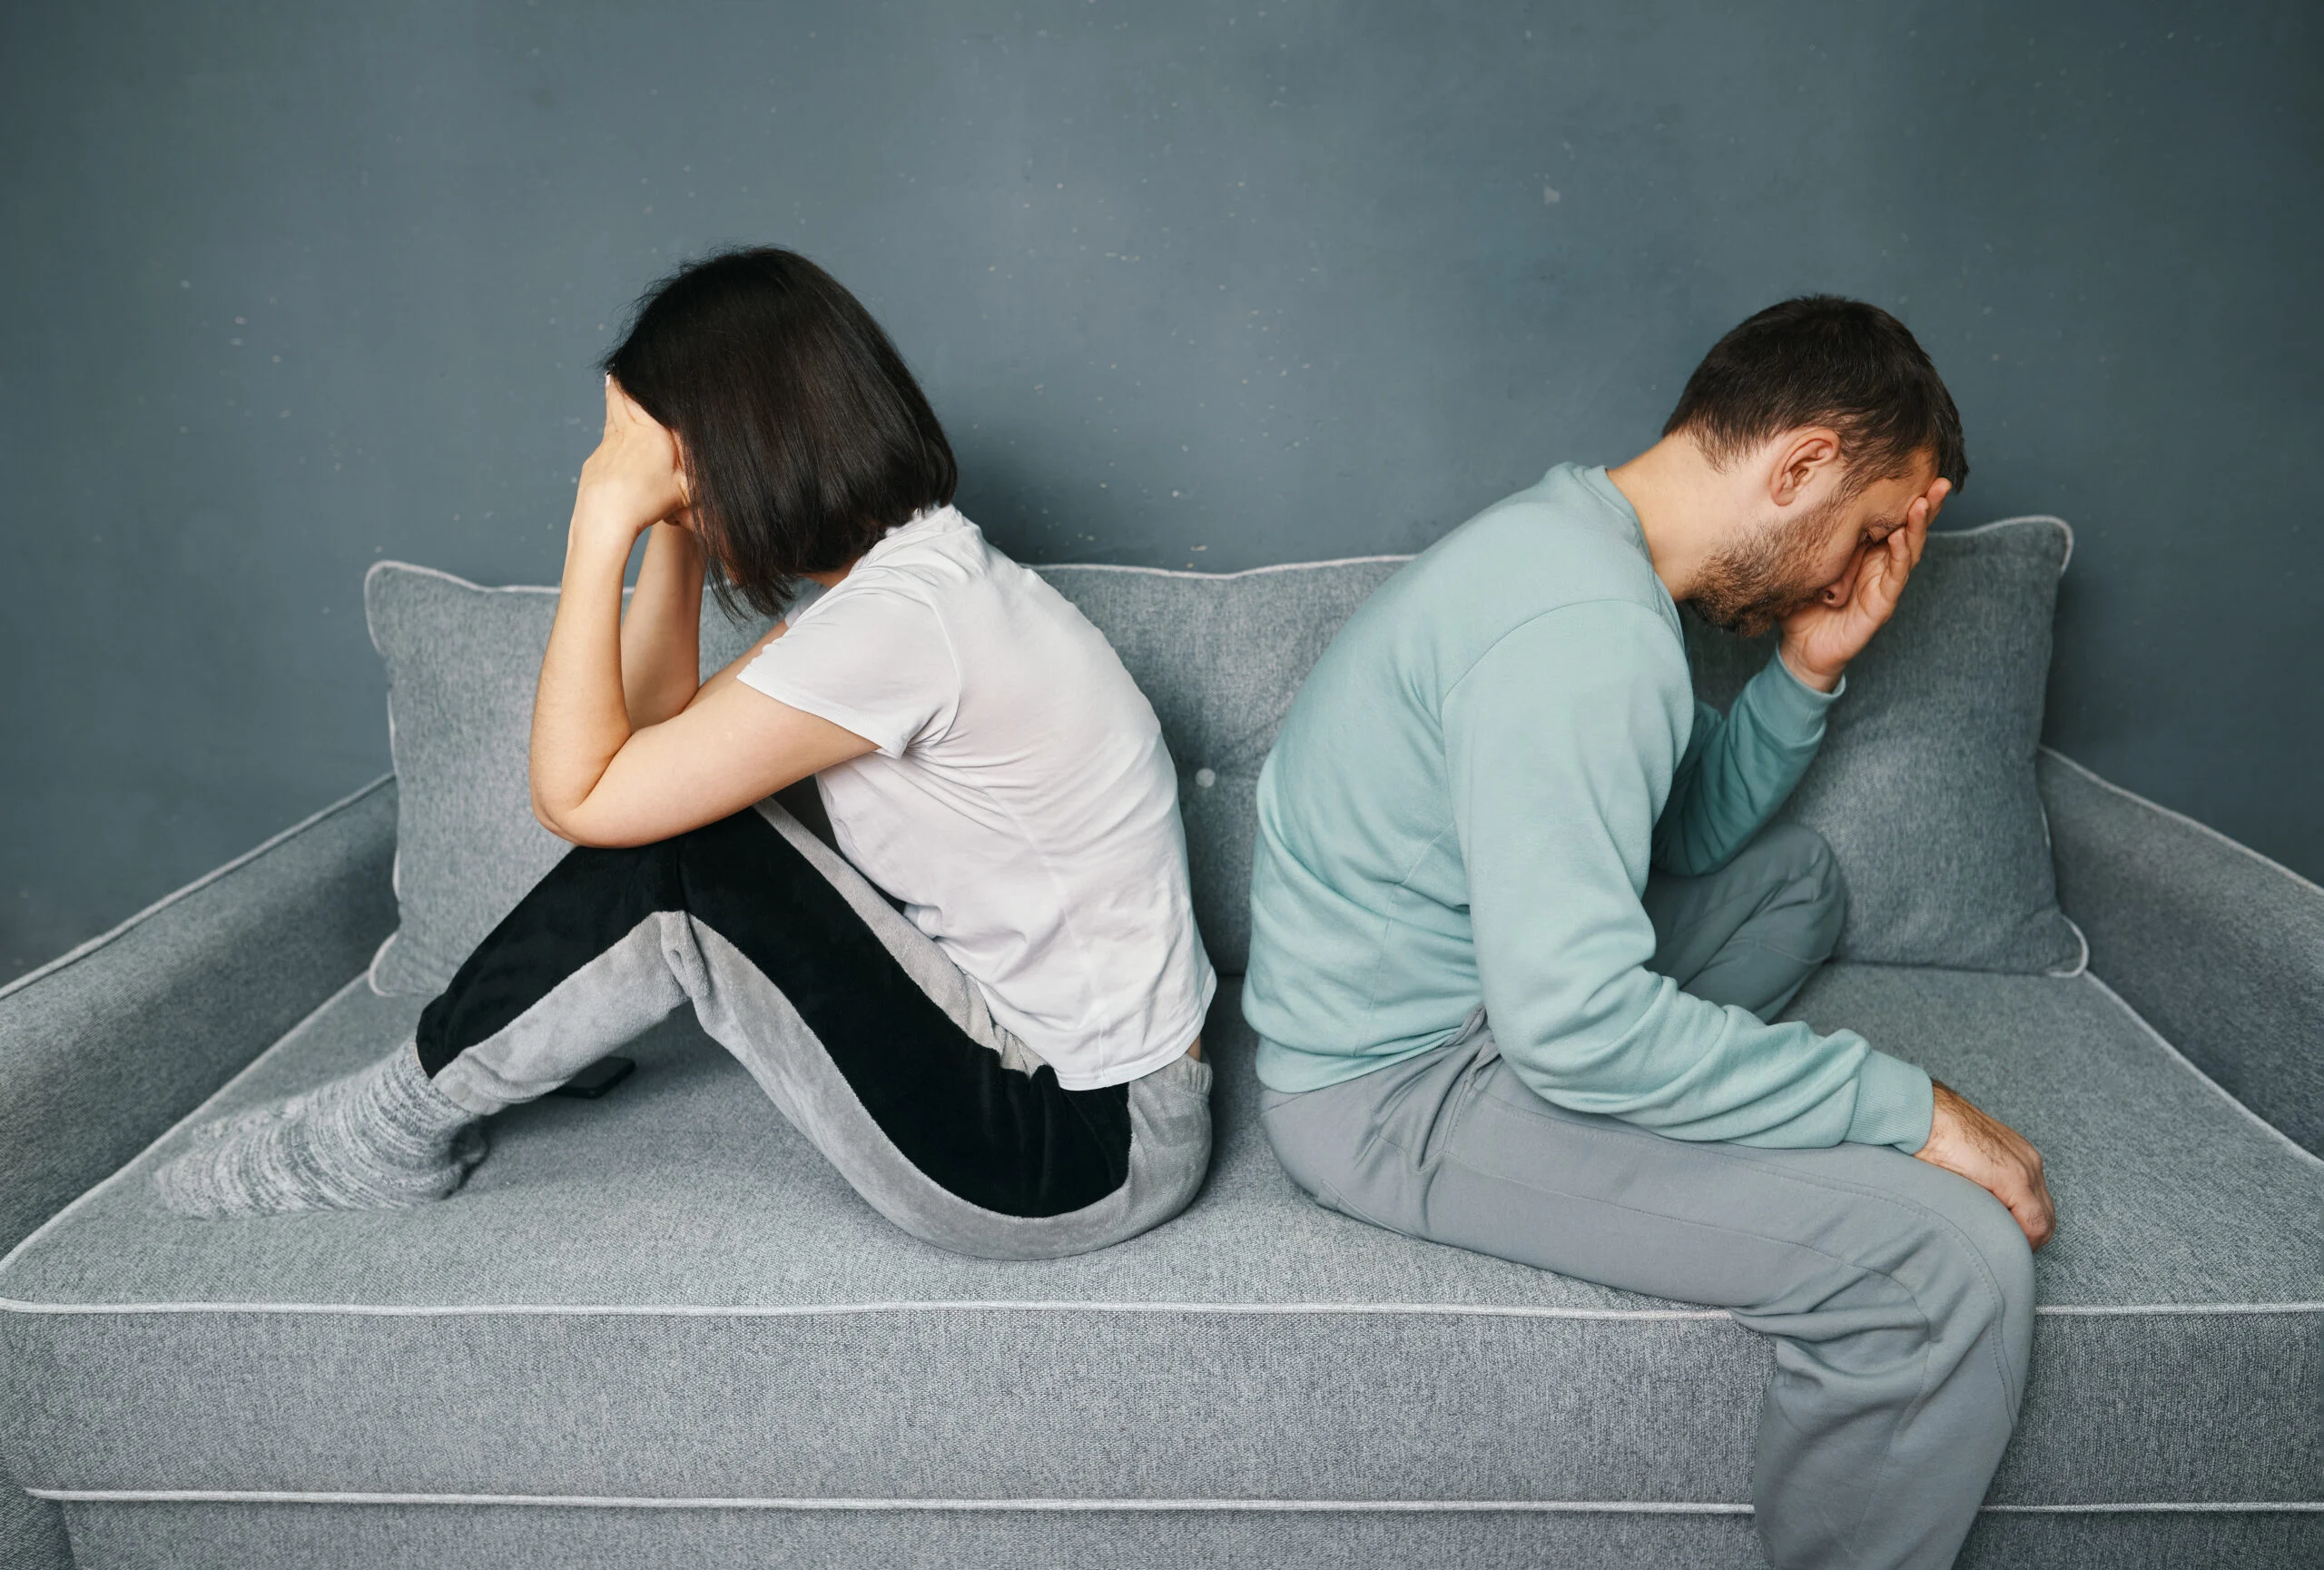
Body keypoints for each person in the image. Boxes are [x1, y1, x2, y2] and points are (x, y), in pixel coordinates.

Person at [156, 245, 1217, 1261]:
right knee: (690, 820)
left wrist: (600, 521)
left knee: (684, 863)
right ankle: (443, 1082)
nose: (652, 478)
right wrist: (673, 527)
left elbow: (580, 797)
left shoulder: (903, 626)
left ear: (741, 438)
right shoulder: (911, 590)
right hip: (1095, 1102)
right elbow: (654, 749)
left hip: (1080, 1149)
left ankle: (386, 1127)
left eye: (665, 454)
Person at [1244, 297, 2054, 1569]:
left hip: (1485, 996)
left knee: (1796, 883)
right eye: (1865, 532)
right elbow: (1569, 1027)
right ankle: (1644, 1098)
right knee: (1946, 1264)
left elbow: (1678, 837)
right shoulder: (1586, 631)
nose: (1852, 573)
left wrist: (1809, 664)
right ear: (1800, 464)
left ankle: (1655, 1084)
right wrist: (1907, 1106)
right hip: (1399, 1092)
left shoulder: (1574, 541)